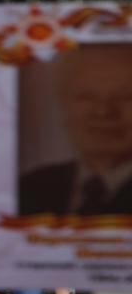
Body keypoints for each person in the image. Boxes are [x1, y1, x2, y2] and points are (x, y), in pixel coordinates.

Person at [20, 43, 132, 216]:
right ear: (64, 104)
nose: (103, 112)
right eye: (87, 96)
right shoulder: (28, 188)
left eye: (125, 96)